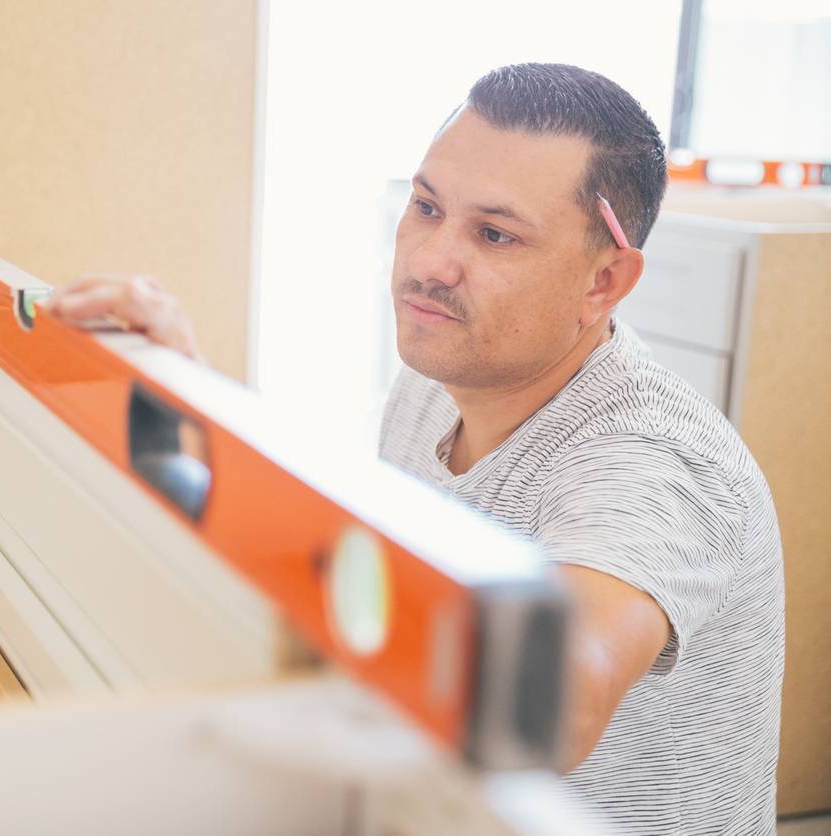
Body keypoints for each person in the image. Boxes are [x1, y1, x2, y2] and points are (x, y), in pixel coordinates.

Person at [40, 63, 784, 835]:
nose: (430, 261)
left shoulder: (653, 458)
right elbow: (367, 576)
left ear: (604, 281)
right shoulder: (437, 381)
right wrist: (192, 404)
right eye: (427, 207)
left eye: (495, 234)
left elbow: (555, 702)